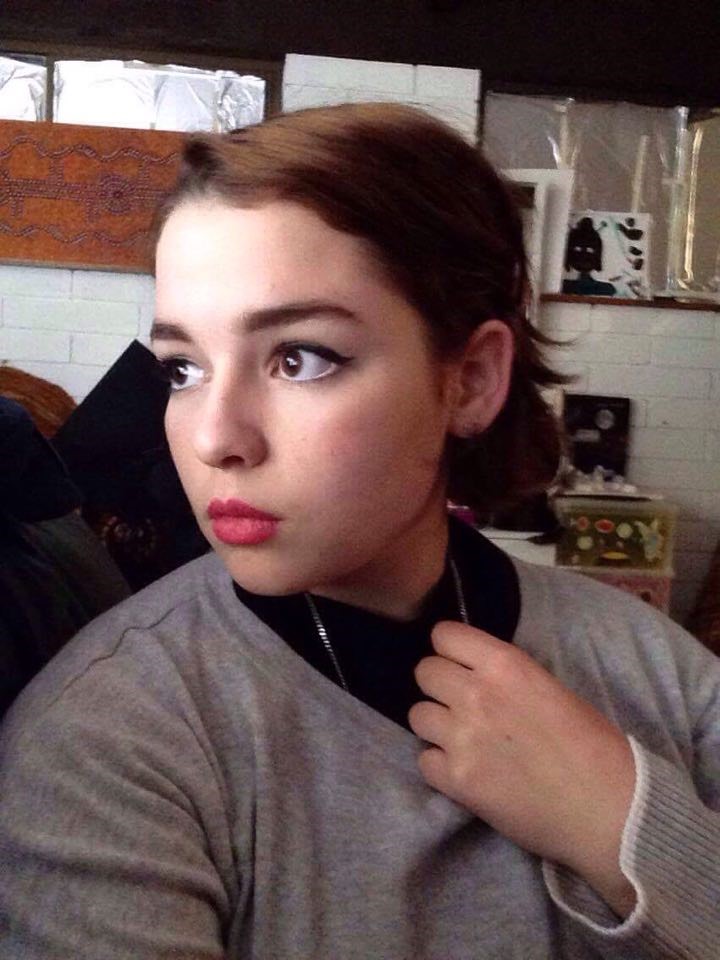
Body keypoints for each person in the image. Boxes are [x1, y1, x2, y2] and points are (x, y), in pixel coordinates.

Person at [0, 103, 718, 959]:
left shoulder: (657, 671)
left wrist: (624, 823)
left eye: (299, 357)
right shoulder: (110, 741)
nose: (215, 437)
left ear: (470, 379)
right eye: (182, 368)